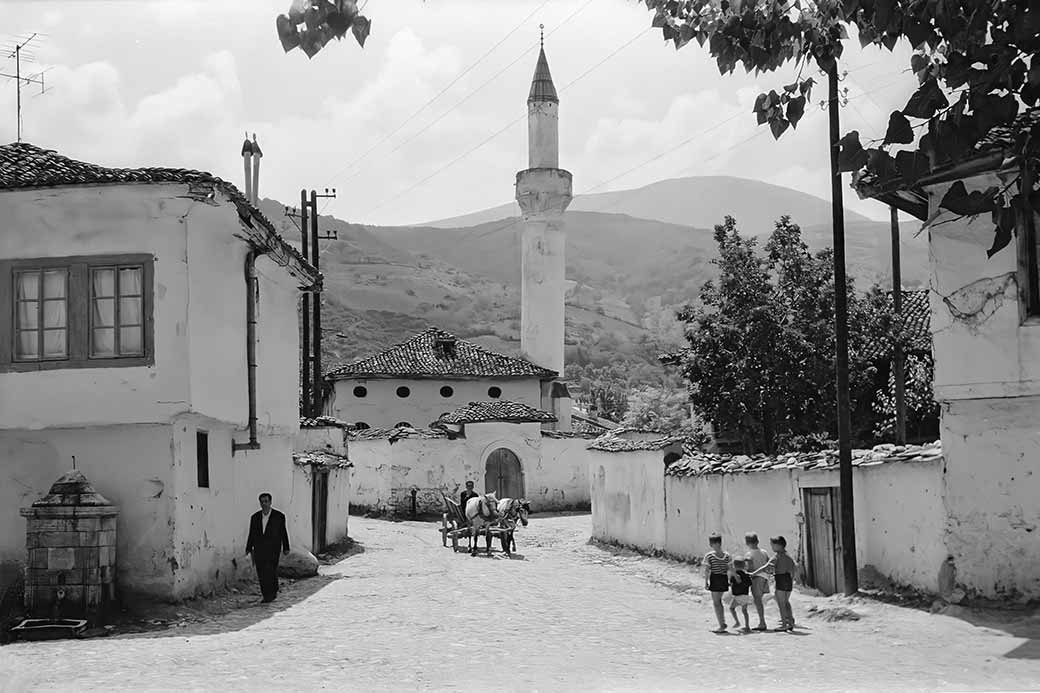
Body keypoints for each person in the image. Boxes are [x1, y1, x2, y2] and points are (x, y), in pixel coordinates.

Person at [245, 492, 290, 603]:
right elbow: (251, 533)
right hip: (259, 549)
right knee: (261, 572)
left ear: (270, 502)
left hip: (273, 549)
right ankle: (266, 595)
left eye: (266, 501)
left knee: (271, 571)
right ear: (259, 503)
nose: (264, 504)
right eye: (262, 502)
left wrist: (286, 547)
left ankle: (273, 592)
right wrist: (248, 547)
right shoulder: (255, 517)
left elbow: (283, 532)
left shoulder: (279, 516)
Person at [750, 535, 797, 631]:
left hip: (781, 579)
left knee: (781, 603)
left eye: (772, 545)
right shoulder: (789, 556)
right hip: (788, 580)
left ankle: (784, 624)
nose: (771, 547)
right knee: (786, 602)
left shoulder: (777, 556)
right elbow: (794, 568)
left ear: (778, 546)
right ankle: (790, 622)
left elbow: (765, 567)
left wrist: (753, 573)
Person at [702, 533, 732, 633]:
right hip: (723, 579)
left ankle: (721, 625)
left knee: (716, 602)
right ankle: (722, 622)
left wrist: (706, 581)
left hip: (715, 578)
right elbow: (730, 569)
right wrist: (729, 580)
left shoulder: (709, 556)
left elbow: (707, 570)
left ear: (711, 544)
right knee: (719, 601)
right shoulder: (727, 555)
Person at [744, 532, 771, 631]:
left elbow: (749, 567)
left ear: (747, 543)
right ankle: (762, 621)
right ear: (758, 541)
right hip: (765, 578)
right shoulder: (764, 552)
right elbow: (768, 564)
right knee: (759, 600)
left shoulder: (749, 554)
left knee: (758, 600)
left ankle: (762, 622)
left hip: (756, 578)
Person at [729, 558, 753, 632]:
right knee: (745, 611)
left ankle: (737, 622)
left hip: (738, 596)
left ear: (734, 566)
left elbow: (733, 583)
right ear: (743, 566)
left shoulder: (734, 575)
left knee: (731, 608)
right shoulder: (746, 574)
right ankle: (747, 626)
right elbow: (750, 583)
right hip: (746, 595)